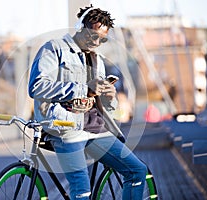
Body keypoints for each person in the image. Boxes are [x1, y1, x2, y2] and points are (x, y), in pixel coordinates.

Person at [28, 5, 147, 199]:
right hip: (65, 128)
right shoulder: (54, 48)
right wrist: (83, 88)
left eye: (103, 39)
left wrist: (109, 98)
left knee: (137, 171)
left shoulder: (98, 60)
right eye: (94, 35)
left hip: (95, 128)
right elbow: (36, 87)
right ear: (80, 27)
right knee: (82, 191)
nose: (97, 42)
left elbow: (102, 102)